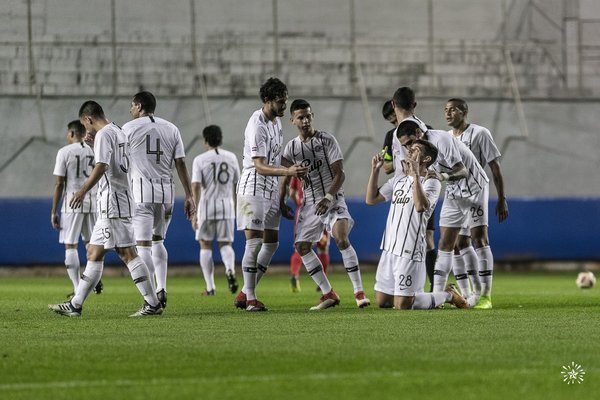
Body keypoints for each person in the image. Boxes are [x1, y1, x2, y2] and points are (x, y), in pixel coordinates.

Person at [49, 100, 162, 317]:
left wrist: (81, 191)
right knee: (93, 252)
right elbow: (115, 161)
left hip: (113, 201)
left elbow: (102, 166)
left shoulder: (103, 135)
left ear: (88, 119)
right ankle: (75, 304)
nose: (86, 129)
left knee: (127, 252)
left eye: (86, 124)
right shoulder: (118, 130)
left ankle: (152, 303)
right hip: (116, 199)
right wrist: (93, 147)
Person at [281, 98, 371, 310]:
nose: (305, 121)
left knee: (340, 239)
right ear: (292, 120)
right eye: (300, 117)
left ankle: (359, 293)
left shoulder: (326, 140)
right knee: (302, 247)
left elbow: (340, 174)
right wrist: (291, 179)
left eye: (308, 116)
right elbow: (284, 167)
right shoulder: (292, 148)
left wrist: (329, 197)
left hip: (332, 198)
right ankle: (328, 293)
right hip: (310, 204)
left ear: (312, 117)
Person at [395, 119, 489, 305]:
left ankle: (482, 296)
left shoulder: (442, 139)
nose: (408, 148)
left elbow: (462, 171)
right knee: (446, 242)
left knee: (474, 239)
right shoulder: (419, 151)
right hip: (454, 189)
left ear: (418, 132)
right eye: (404, 145)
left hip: (474, 186)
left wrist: (442, 176)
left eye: (409, 142)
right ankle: (438, 295)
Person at [366, 139, 468, 309]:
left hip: (410, 248)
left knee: (403, 306)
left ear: (426, 159)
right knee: (383, 302)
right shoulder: (398, 180)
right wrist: (375, 171)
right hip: (389, 247)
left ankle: (448, 295)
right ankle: (439, 294)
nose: (409, 152)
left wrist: (415, 177)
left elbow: (421, 206)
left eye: (415, 150)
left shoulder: (431, 181)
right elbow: (371, 199)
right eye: (410, 149)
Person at [234, 77, 308, 311]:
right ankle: (251, 299)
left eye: (285, 100)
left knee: (271, 243)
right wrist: (288, 171)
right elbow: (259, 165)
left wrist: (281, 196)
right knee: (253, 243)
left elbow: (274, 160)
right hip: (251, 186)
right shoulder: (257, 124)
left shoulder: (276, 122)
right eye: (280, 102)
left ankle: (245, 292)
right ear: (267, 100)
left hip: (269, 188)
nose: (284, 106)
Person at [122, 91, 195, 309]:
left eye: (131, 106)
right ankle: (161, 287)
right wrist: (189, 195)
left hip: (142, 195)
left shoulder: (128, 128)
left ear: (138, 106)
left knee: (142, 245)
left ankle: (150, 297)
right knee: (159, 241)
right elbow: (180, 163)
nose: (130, 110)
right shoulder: (171, 128)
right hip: (166, 195)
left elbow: (117, 158)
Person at [445, 98, 509, 309]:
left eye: (452, 110)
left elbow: (495, 167)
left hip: (476, 191)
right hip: (455, 194)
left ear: (464, 112)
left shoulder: (480, 133)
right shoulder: (445, 138)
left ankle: (485, 296)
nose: (447, 113)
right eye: (446, 110)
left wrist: (501, 198)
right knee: (457, 244)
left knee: (479, 239)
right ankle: (466, 295)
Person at [388, 87, 438, 292]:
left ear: (393, 105)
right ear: (414, 104)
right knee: (425, 239)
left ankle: (430, 288)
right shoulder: (427, 129)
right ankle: (424, 286)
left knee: (419, 237)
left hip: (415, 187)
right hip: (404, 188)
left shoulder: (392, 135)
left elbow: (386, 165)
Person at [51, 120, 102, 297]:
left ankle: (76, 287)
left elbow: (59, 183)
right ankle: (93, 276)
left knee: (70, 245)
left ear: (72, 133)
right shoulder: (93, 151)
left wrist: (53, 211)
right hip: (93, 201)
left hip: (72, 202)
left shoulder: (64, 152)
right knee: (91, 243)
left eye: (68, 133)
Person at [191, 125, 240, 296]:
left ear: (205, 141)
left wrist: (195, 212)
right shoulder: (231, 157)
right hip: (226, 206)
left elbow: (196, 186)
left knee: (205, 244)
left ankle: (210, 287)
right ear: (220, 138)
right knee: (225, 243)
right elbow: (237, 184)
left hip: (207, 206)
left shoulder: (200, 159)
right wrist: (235, 207)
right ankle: (230, 270)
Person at [288, 176, 331, 293]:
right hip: (320, 210)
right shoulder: (321, 165)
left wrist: (299, 202)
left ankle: (295, 275)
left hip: (303, 212)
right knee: (322, 248)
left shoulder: (298, 169)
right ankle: (323, 280)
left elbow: (291, 192)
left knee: (299, 248)